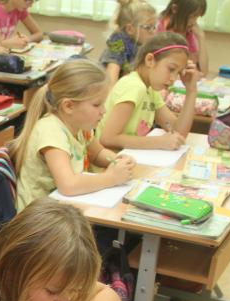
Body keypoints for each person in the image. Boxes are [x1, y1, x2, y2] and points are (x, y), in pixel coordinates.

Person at [10, 59, 136, 210]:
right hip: (40, 218)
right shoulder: (51, 130)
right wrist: (111, 178)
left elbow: (97, 154)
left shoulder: (80, 126)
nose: (104, 111)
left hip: (62, 210)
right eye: (97, 105)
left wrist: (117, 161)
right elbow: (68, 185)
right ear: (68, 106)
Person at [97, 33, 199, 152]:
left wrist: (191, 90)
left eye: (178, 73)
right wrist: (159, 142)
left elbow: (178, 133)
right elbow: (108, 138)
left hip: (127, 159)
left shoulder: (150, 90)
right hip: (108, 161)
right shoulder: (133, 86)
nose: (173, 78)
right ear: (150, 60)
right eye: (171, 69)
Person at [99, 0, 157, 85]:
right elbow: (111, 80)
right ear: (130, 29)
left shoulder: (140, 44)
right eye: (148, 27)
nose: (153, 32)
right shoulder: (116, 45)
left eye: (154, 27)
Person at [156, 0, 208, 75]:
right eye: (192, 16)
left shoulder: (187, 31)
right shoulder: (158, 28)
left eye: (197, 17)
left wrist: (201, 37)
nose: (193, 22)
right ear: (175, 9)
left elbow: (202, 72)